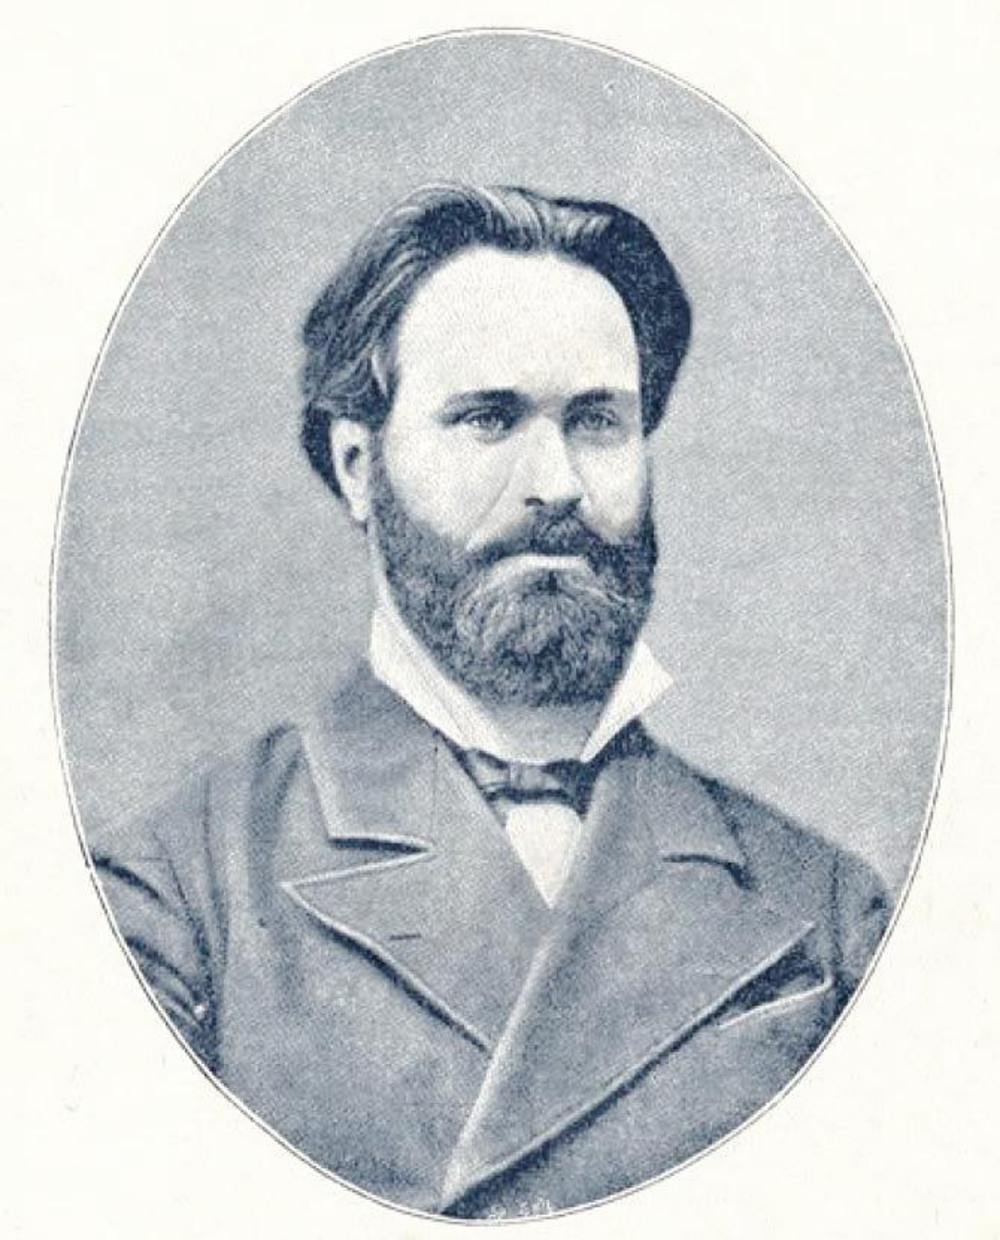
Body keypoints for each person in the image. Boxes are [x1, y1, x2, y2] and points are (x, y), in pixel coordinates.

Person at [91, 184, 890, 1218]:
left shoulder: (828, 912)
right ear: (357, 467)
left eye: (597, 421)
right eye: (488, 419)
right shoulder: (173, 901)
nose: (556, 481)